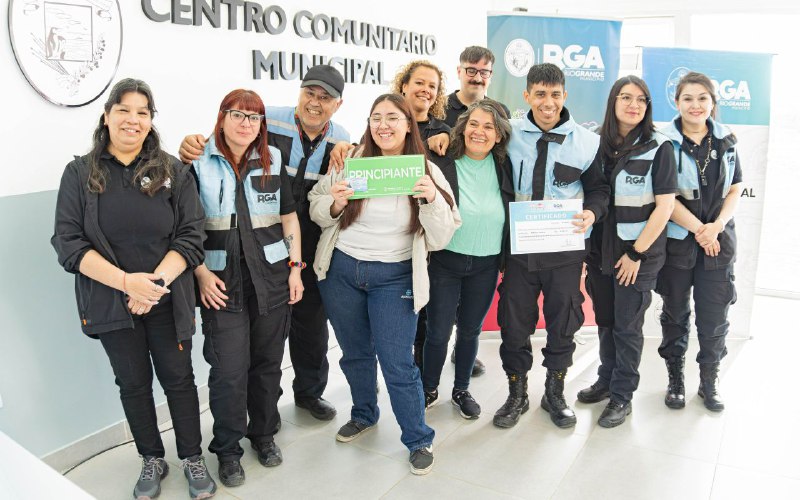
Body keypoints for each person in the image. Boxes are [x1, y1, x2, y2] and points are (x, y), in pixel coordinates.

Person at [51, 78, 216, 500]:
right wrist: (127, 284)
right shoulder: (79, 173)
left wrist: (153, 286)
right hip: (110, 299)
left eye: (143, 112)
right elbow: (68, 244)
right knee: (134, 384)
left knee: (179, 381)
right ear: (107, 116)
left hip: (166, 297)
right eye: (124, 109)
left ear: (151, 121)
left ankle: (192, 457)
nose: (133, 119)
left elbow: (191, 236)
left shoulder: (172, 171)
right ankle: (151, 459)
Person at [180, 65, 350, 421]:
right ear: (299, 92)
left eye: (325, 98)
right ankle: (253, 409)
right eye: (310, 93)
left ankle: (308, 393)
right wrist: (192, 142)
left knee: (310, 325)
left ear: (338, 104)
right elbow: (225, 140)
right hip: (264, 235)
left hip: (313, 240)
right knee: (259, 338)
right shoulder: (266, 117)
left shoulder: (342, 138)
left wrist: (351, 149)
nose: (315, 103)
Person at [308, 94, 460, 475]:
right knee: (355, 353)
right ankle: (364, 413)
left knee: (397, 361)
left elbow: (443, 235)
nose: (384, 125)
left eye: (393, 118)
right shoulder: (353, 161)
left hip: (394, 277)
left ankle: (418, 438)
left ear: (409, 125)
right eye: (376, 118)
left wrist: (429, 200)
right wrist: (335, 204)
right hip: (343, 272)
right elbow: (316, 204)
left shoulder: (424, 170)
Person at [191, 89, 304, 486]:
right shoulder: (197, 164)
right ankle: (227, 449)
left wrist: (295, 269)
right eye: (237, 114)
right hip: (221, 285)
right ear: (222, 117)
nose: (245, 123)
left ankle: (264, 435)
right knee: (228, 371)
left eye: (254, 118)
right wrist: (201, 274)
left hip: (271, 281)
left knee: (267, 366)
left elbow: (289, 220)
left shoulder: (271, 163)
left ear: (261, 126)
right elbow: (185, 231)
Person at [494, 63, 610, 429]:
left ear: (565, 96)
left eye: (555, 94)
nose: (548, 102)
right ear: (526, 96)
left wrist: (592, 213)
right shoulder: (507, 135)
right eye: (540, 94)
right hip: (519, 251)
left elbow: (600, 191)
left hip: (564, 252)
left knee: (564, 322)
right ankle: (517, 392)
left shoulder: (587, 141)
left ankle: (554, 391)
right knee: (514, 325)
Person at [577, 76, 677, 427]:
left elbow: (665, 208)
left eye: (641, 99)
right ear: (613, 101)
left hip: (637, 254)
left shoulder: (658, 146)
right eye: (626, 97)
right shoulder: (594, 144)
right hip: (599, 251)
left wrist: (636, 253)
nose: (633, 104)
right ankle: (606, 379)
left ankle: (622, 395)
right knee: (605, 320)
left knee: (627, 326)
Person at [656, 71, 743, 412]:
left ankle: (709, 381)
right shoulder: (662, 142)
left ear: (712, 103)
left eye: (702, 98)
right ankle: (675, 379)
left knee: (714, 317)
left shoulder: (728, 139)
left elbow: (735, 187)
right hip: (679, 244)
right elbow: (664, 197)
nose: (695, 105)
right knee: (675, 316)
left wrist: (716, 226)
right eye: (688, 98)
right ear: (677, 103)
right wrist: (700, 230)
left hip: (718, 245)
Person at [421, 100, 514, 420]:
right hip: (445, 260)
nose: (480, 131)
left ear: (499, 136)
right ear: (462, 127)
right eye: (474, 123)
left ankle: (461, 389)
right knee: (438, 331)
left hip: (486, 264)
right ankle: (429, 387)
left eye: (489, 127)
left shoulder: (506, 166)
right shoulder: (442, 158)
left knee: (471, 331)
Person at [444, 45, 510, 127]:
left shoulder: (501, 112)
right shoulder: (439, 108)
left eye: (484, 72)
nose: (478, 79)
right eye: (471, 71)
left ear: (491, 75)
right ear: (459, 72)